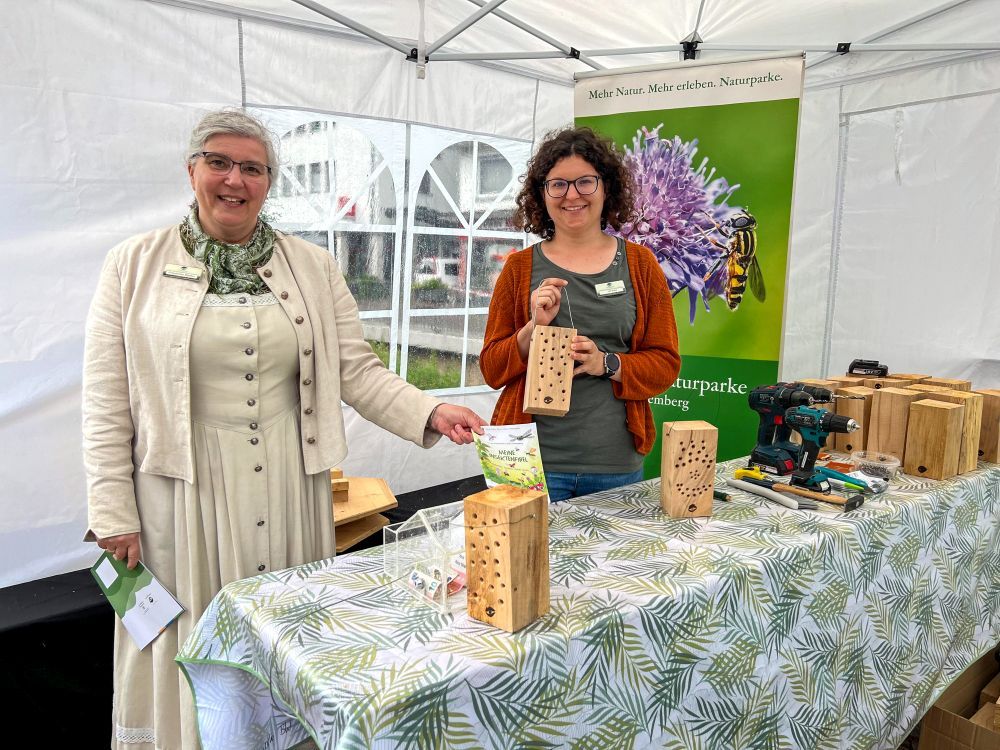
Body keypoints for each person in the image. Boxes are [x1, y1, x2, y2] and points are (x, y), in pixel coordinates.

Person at [82, 108, 486, 749]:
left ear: (269, 182)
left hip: (289, 484)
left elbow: (355, 368)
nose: (233, 180)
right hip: (182, 493)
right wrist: (112, 508)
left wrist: (429, 411)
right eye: (219, 162)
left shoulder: (314, 267)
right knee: (188, 630)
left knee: (290, 636)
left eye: (252, 168)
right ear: (192, 170)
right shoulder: (131, 265)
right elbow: (105, 400)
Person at [480, 126, 681, 501]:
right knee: (524, 560)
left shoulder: (640, 264)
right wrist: (532, 329)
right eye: (558, 185)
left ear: (607, 188)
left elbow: (665, 364)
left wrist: (607, 363)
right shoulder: (519, 268)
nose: (571, 195)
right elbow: (491, 369)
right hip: (527, 461)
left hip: (614, 465)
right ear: (542, 195)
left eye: (585, 182)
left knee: (617, 562)